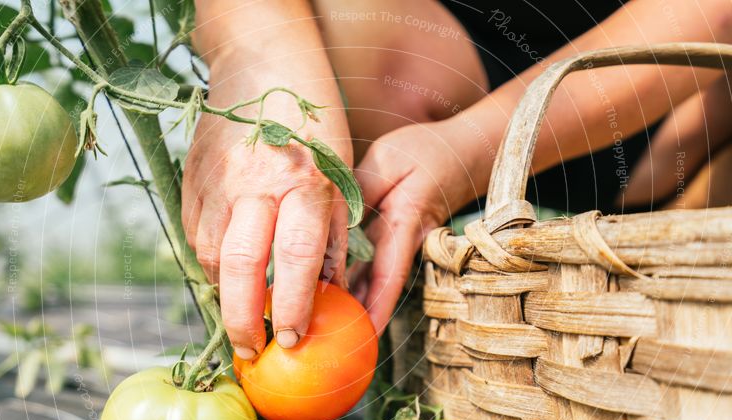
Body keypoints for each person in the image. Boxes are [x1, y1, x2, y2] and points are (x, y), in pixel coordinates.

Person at [182, 0, 732, 361]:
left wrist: (472, 149)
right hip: (462, 41)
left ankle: (684, 197)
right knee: (352, 37)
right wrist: (259, 64)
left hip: (691, 74)